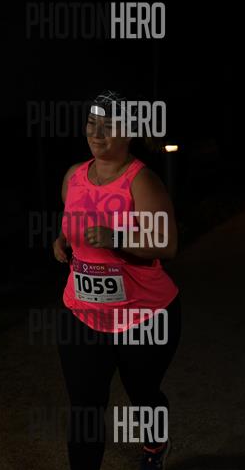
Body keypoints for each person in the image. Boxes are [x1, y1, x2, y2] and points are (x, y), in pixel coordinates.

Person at [53, 90, 181, 469]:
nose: (97, 134)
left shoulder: (142, 181)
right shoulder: (73, 176)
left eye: (109, 127)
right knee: (85, 406)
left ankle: (155, 445)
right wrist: (61, 242)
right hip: (82, 314)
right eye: (92, 124)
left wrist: (117, 238)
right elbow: (70, 223)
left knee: (143, 394)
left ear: (129, 133)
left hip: (142, 316)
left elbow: (167, 244)